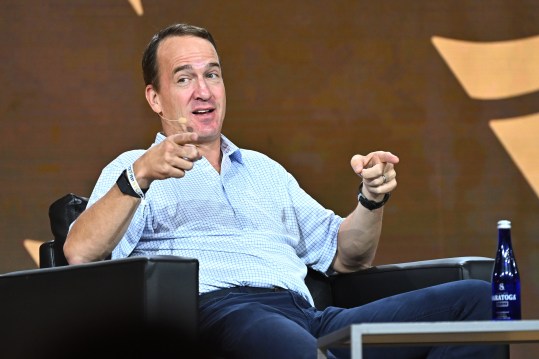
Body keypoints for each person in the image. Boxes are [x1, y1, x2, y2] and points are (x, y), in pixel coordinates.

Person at [64, 23, 498, 358]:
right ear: (155, 98)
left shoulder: (265, 171)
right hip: (217, 315)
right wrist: (140, 176)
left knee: (474, 303)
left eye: (212, 75)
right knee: (292, 344)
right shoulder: (133, 169)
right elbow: (80, 253)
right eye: (183, 79)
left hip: (306, 316)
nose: (203, 90)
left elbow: (348, 256)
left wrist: (371, 198)